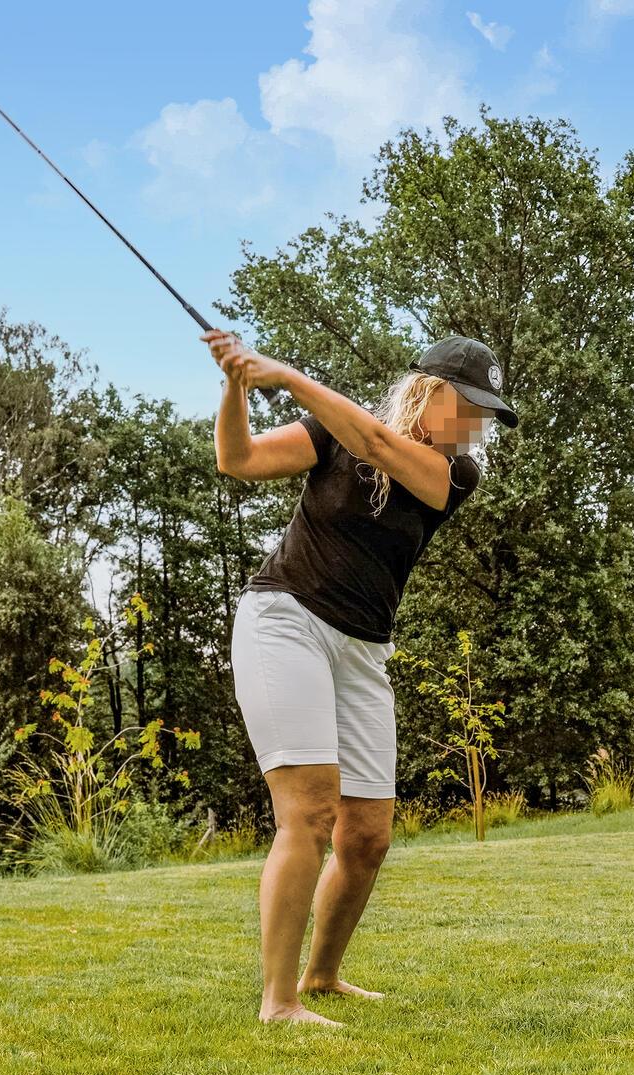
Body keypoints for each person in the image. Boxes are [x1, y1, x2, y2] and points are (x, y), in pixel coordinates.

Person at [204, 330, 515, 1025]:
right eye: (471, 407)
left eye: (486, 415)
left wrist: (286, 374)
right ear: (431, 392)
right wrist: (236, 386)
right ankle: (279, 1001)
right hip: (286, 620)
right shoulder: (330, 434)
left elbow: (374, 442)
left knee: (368, 835)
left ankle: (321, 977)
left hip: (364, 649)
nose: (477, 425)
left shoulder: (455, 475)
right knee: (310, 810)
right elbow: (238, 459)